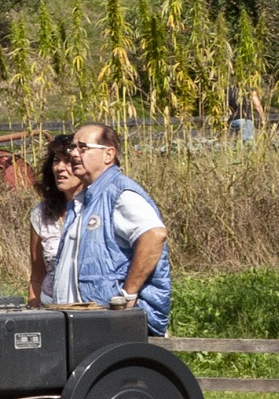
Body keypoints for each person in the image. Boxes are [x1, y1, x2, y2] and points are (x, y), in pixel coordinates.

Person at [64, 122, 172, 332]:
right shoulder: (84, 199)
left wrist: (126, 297)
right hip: (91, 322)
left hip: (119, 324)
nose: (74, 154)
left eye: (83, 147)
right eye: (73, 148)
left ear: (108, 154)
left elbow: (154, 235)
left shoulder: (119, 194)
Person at [26, 133, 83, 304]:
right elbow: (37, 275)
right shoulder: (42, 214)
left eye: (68, 162)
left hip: (91, 309)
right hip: (51, 309)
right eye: (56, 161)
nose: (60, 167)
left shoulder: (100, 207)